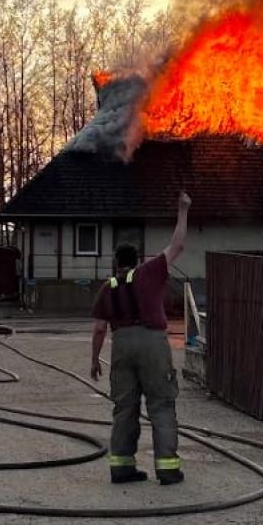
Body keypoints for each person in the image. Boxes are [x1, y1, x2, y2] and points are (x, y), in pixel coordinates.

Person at [90, 191, 191, 486]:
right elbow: (178, 244)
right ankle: (168, 469)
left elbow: (98, 329)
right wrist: (183, 210)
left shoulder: (106, 288)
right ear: (136, 260)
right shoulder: (150, 272)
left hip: (121, 344)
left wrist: (95, 360)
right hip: (152, 343)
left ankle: (121, 467)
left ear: (115, 262)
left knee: (124, 408)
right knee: (161, 404)